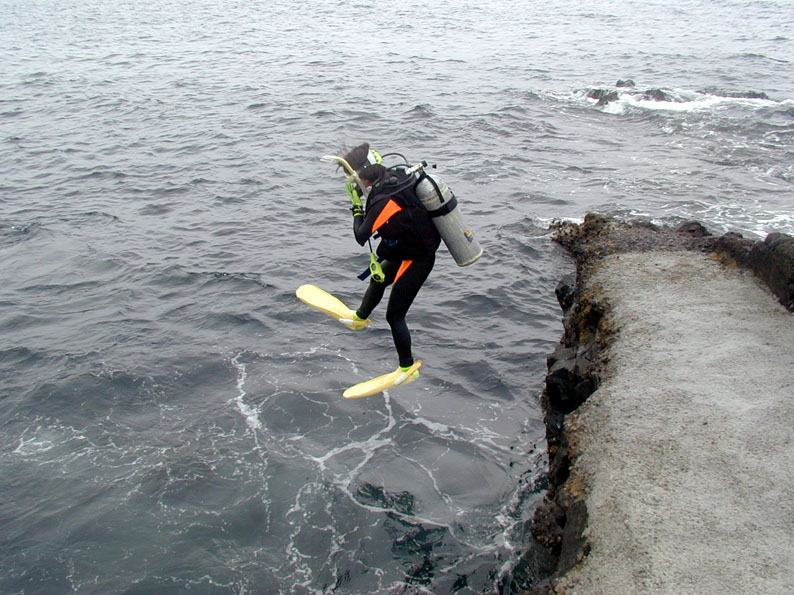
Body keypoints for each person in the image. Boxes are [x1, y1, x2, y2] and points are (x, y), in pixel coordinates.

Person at [341, 142, 441, 375]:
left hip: (418, 258)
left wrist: (356, 208)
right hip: (406, 247)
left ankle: (407, 368)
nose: (354, 184)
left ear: (364, 177)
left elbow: (361, 235)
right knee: (378, 280)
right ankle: (360, 317)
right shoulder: (393, 178)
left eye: (355, 179)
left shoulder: (385, 199)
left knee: (394, 315)